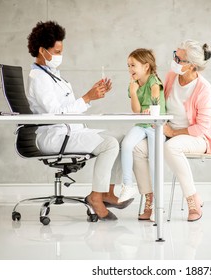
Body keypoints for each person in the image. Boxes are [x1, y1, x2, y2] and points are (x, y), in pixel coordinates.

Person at [26, 21, 133, 221]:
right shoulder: (38, 78)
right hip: (54, 136)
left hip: (68, 132)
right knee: (109, 144)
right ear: (42, 50)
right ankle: (96, 197)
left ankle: (107, 192)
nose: (60, 55)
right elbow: (57, 114)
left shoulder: (53, 76)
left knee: (120, 139)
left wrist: (92, 95)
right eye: (56, 51)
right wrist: (87, 98)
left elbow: (69, 107)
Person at [133, 39, 211, 222]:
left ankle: (192, 199)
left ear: (192, 66)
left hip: (195, 137)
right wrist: (151, 110)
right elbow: (159, 102)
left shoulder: (203, 89)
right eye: (174, 56)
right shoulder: (171, 76)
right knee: (137, 148)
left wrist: (172, 133)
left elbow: (202, 127)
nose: (174, 61)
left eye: (179, 59)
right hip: (166, 132)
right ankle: (151, 199)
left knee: (171, 147)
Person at [118, 48, 166, 221]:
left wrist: (152, 108)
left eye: (133, 65)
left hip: (155, 126)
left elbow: (155, 98)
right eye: (128, 66)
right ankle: (128, 185)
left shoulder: (154, 80)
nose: (130, 69)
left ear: (146, 67)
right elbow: (136, 111)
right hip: (142, 124)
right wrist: (132, 91)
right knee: (126, 144)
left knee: (154, 163)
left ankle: (157, 205)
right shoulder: (135, 84)